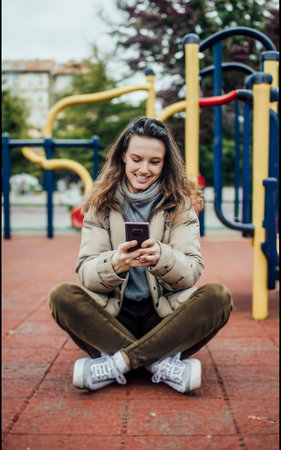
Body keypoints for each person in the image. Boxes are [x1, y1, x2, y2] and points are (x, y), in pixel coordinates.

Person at [48, 117, 233, 394]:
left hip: (165, 315)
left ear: (165, 163)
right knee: (61, 296)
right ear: (123, 156)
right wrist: (115, 264)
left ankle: (118, 363)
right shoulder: (100, 202)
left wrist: (162, 257)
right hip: (114, 314)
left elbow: (192, 271)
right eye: (136, 159)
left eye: (154, 162)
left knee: (218, 297)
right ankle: (158, 364)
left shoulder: (180, 203)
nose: (144, 169)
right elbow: (86, 272)